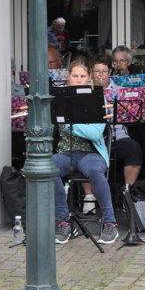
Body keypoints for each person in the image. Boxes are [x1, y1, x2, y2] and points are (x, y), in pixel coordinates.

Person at [52, 58, 119, 245]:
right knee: (48, 168)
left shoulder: (97, 97)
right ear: (69, 77)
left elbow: (95, 132)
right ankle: (63, 221)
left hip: (91, 153)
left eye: (82, 76)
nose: (79, 79)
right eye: (75, 76)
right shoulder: (60, 97)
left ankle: (110, 222)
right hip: (65, 152)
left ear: (89, 77)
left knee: (95, 172)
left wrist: (68, 125)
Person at [77, 55, 145, 215]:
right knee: (82, 150)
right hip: (93, 138)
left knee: (134, 149)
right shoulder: (84, 91)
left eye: (104, 71)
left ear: (110, 72)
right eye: (97, 71)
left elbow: (132, 117)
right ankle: (89, 197)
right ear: (91, 73)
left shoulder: (120, 91)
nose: (101, 75)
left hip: (117, 137)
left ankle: (127, 193)